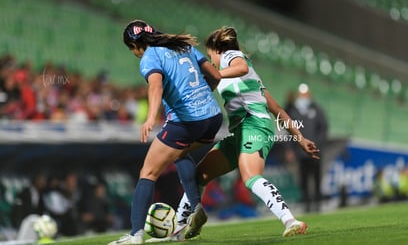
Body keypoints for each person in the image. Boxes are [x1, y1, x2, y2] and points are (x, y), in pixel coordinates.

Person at [151, 26, 320, 242]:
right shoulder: (250, 79)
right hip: (239, 131)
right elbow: (277, 109)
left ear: (217, 50)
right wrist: (301, 139)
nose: (211, 60)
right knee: (199, 175)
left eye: (210, 54)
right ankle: (178, 232)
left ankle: (290, 221)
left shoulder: (232, 56)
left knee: (250, 176)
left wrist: (215, 74)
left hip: (255, 126)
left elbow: (239, 66)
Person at [108, 20, 223, 245]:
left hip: (186, 122)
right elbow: (216, 77)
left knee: (148, 172)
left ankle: (136, 235)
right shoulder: (183, 46)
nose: (134, 54)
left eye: (131, 49)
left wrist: (151, 117)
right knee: (179, 153)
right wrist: (201, 97)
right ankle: (195, 206)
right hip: (212, 118)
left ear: (135, 45)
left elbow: (155, 86)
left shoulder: (151, 55)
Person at [285, 83, 328, 213]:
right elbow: (288, 130)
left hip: (315, 150)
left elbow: (323, 127)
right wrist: (290, 148)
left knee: (316, 177)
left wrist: (317, 143)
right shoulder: (293, 111)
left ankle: (317, 202)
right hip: (300, 151)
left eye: (306, 95)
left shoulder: (316, 109)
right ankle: (306, 204)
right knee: (303, 178)